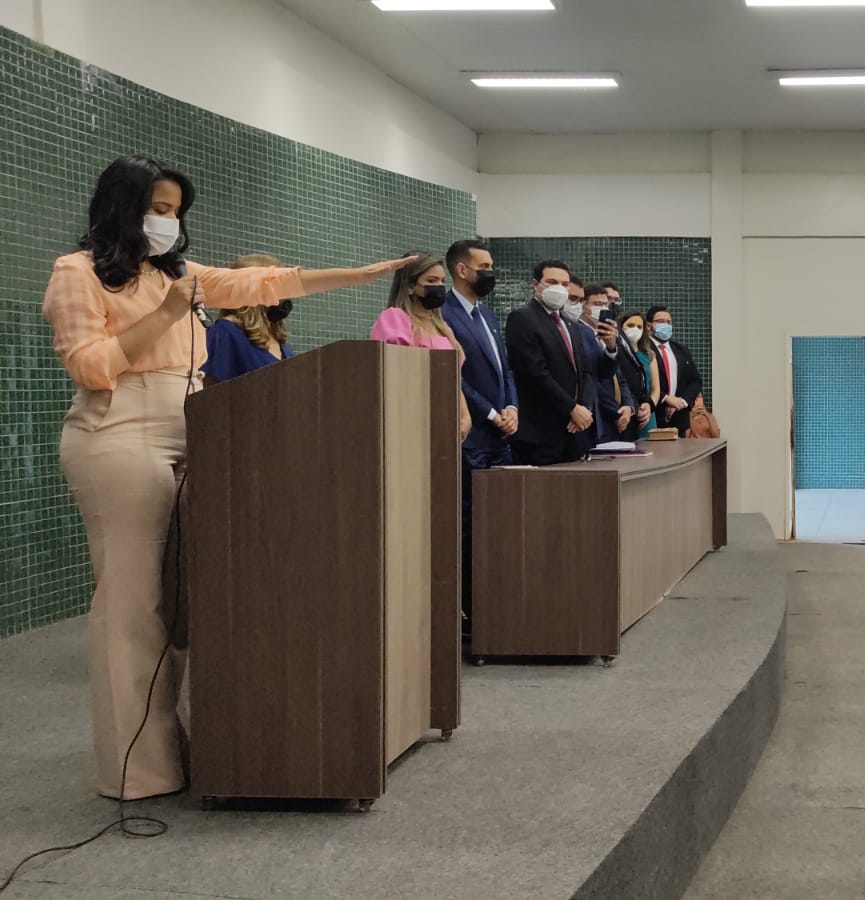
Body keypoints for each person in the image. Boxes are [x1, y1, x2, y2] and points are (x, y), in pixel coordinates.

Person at [42, 155, 411, 800]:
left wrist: (356, 276)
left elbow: (262, 283)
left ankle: (177, 743)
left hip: (195, 426)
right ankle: (135, 769)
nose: (168, 221)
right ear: (122, 208)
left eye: (175, 211)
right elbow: (90, 367)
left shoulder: (177, 273)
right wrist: (165, 314)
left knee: (189, 600)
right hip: (118, 432)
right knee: (133, 602)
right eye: (158, 208)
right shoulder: (77, 273)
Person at [438, 237, 516, 636]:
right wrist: (489, 412)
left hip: (501, 436)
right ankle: (469, 611)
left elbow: (505, 369)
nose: (491, 273)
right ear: (461, 269)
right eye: (484, 267)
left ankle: (495, 604)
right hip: (472, 436)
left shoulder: (486, 314)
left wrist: (512, 407)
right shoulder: (444, 313)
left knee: (498, 524)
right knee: (469, 525)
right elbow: (454, 375)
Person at [370, 252, 472, 441]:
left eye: (442, 281)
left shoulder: (443, 327)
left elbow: (452, 379)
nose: (439, 287)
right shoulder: (395, 319)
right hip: (411, 421)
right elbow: (396, 374)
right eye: (431, 281)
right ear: (410, 286)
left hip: (445, 421)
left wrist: (465, 416)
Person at [504, 260, 595, 466]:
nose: (559, 289)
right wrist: (571, 407)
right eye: (552, 282)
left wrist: (583, 408)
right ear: (535, 284)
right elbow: (534, 373)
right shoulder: (522, 318)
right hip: (540, 432)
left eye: (565, 284)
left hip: (574, 430)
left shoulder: (570, 324)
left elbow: (585, 372)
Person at [201, 253, 295, 384]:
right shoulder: (224, 333)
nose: (286, 295)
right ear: (252, 291)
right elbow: (208, 390)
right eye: (279, 287)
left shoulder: (276, 337)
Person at [578, 284, 634, 444]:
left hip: (620, 417)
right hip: (598, 415)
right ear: (583, 306)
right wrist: (615, 412)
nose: (603, 308)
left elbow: (619, 377)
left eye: (605, 305)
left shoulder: (609, 335)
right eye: (597, 304)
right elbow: (592, 379)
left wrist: (628, 406)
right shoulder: (579, 334)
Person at [648, 306, 704, 436]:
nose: (666, 325)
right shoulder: (644, 350)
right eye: (660, 321)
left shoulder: (681, 349)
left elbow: (695, 381)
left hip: (679, 420)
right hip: (654, 417)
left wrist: (682, 402)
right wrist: (666, 399)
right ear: (648, 325)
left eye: (669, 322)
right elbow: (642, 382)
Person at [617, 311, 660, 433]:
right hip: (624, 411)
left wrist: (649, 406)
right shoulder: (616, 352)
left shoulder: (649, 355)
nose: (635, 329)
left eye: (639, 327)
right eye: (630, 325)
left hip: (646, 414)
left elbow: (655, 388)